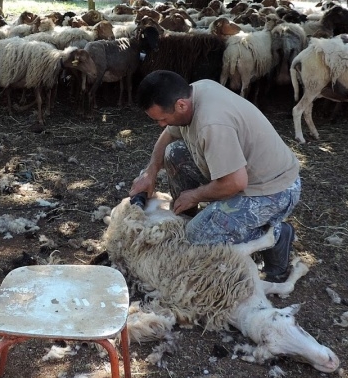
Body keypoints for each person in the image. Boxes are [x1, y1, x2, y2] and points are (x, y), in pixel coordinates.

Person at [129, 70, 301, 282]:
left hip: (273, 189)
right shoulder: (195, 91)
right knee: (173, 153)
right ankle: (196, 218)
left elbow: (236, 183)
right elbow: (168, 134)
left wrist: (195, 195)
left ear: (181, 105)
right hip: (241, 174)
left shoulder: (212, 123)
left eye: (163, 119)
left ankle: (276, 236)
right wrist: (151, 171)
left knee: (197, 237)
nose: (162, 124)